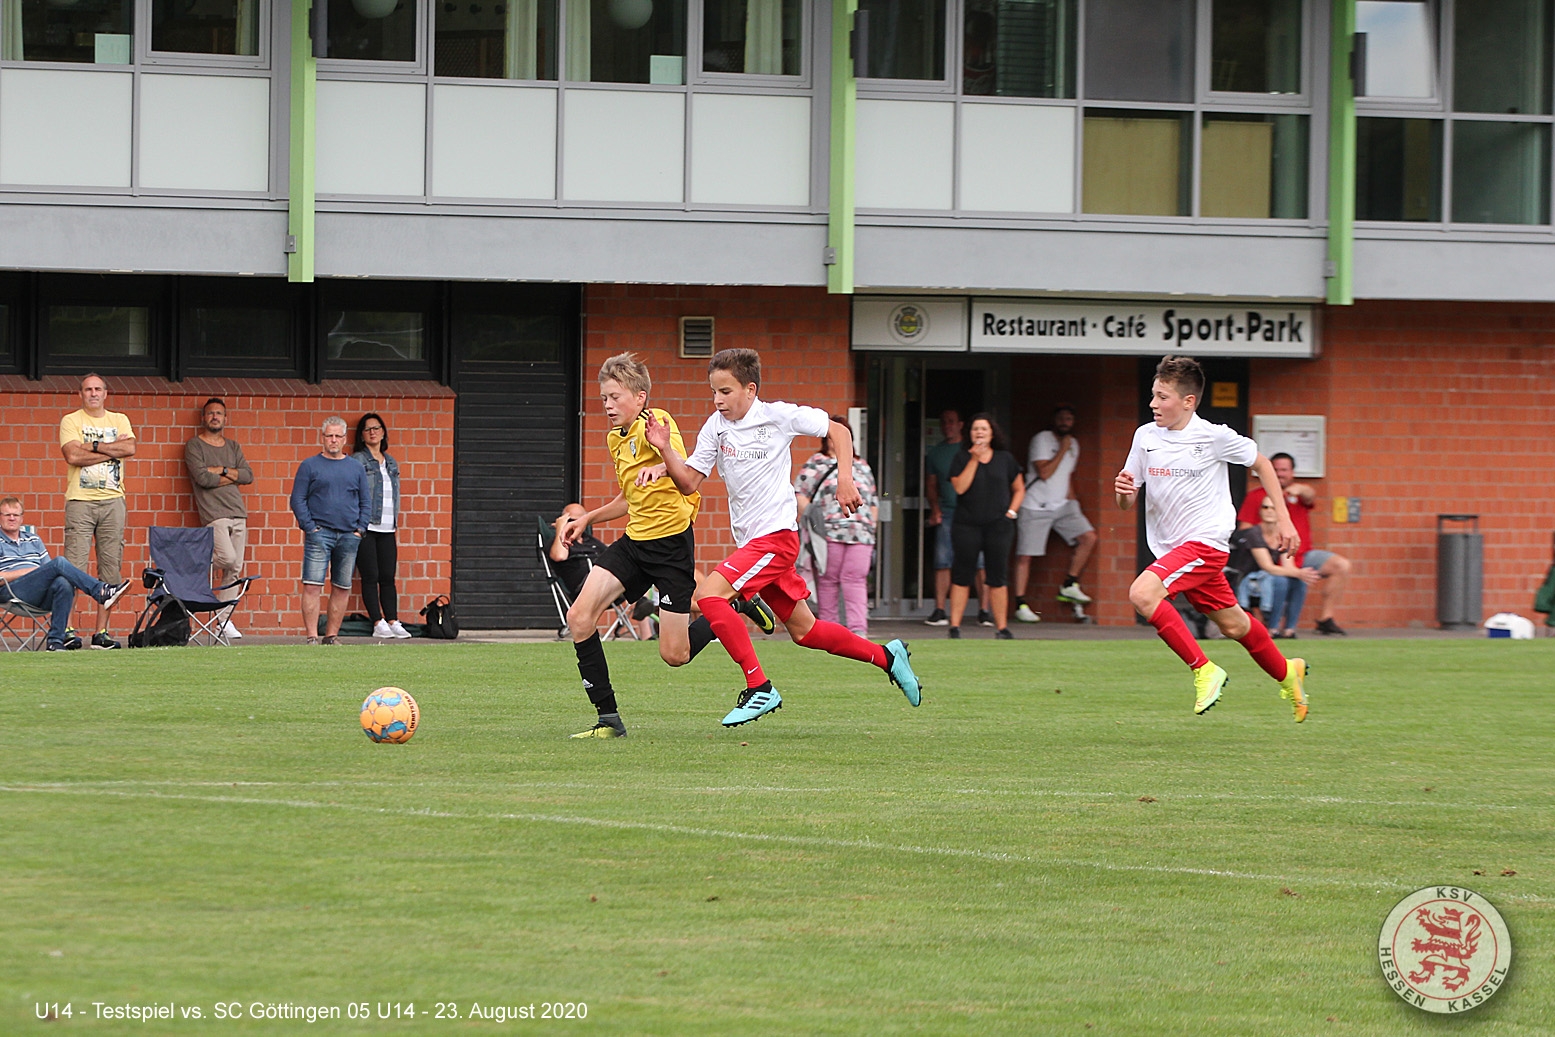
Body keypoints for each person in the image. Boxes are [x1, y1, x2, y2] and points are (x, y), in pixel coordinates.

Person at [647, 347, 923, 727]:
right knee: (806, 631)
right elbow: (690, 481)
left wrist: (845, 479)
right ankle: (888, 657)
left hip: (775, 538)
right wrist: (664, 451)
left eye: (725, 391)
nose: (717, 400)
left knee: (710, 596)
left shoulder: (778, 415)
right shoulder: (715, 426)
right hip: (754, 544)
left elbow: (839, 431)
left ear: (750, 389)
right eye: (713, 391)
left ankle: (758, 686)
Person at [558, 353, 775, 740]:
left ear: (640, 397)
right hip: (634, 544)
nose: (607, 405)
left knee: (675, 655)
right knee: (579, 617)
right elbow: (629, 498)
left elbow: (685, 470)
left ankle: (734, 604)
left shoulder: (657, 423)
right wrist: (589, 518)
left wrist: (661, 461)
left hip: (671, 547)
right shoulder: (615, 439)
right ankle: (608, 720)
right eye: (604, 398)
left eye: (615, 397)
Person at [1114, 355, 1309, 722]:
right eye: (1153, 395)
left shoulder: (1214, 436)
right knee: (1234, 625)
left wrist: (1285, 520)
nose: (1153, 403)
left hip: (1205, 544)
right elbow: (1127, 501)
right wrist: (1123, 492)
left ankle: (1204, 670)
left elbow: (1262, 464)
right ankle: (1288, 673)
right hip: (1173, 550)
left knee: (1142, 594)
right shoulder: (1145, 436)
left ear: (1188, 401)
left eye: (1162, 397)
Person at [59, 372, 136, 649]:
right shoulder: (71, 420)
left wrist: (92, 446)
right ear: (81, 394)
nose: (93, 393)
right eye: (88, 389)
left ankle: (101, 633)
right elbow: (72, 455)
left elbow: (130, 447)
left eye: (98, 389)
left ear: (105, 393)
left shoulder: (119, 419)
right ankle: (67, 630)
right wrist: (111, 451)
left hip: (113, 501)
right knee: (73, 569)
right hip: (80, 501)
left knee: (111, 570)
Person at [1237, 452, 1353, 635]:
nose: (1280, 474)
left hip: (1300, 553)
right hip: (1273, 554)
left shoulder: (1297, 493)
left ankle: (1324, 619)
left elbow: (1310, 496)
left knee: (1341, 565)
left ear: (1292, 472)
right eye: (1276, 470)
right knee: (1282, 580)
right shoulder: (1257, 496)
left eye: (1284, 470)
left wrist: (1301, 489)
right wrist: (1267, 537)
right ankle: (1272, 626)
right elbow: (1245, 530)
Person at [0, 496, 129, 651]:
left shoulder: (33, 539)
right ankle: (100, 591)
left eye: (16, 515)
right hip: (11, 591)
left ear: (22, 518)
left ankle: (55, 642)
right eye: (7, 515)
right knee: (59, 563)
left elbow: (48, 570)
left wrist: (39, 573)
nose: (12, 518)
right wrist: (29, 572)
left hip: (37, 593)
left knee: (63, 583)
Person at [794, 416, 880, 636]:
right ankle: (830, 632)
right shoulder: (816, 462)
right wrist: (814, 521)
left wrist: (871, 525)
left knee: (855, 579)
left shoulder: (861, 465)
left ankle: (858, 631)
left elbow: (873, 499)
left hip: (860, 534)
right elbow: (799, 493)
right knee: (828, 581)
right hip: (828, 533)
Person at [1012, 405, 1099, 622]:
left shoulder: (1074, 444)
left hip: (1063, 505)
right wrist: (1062, 449)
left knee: (1088, 537)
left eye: (1069, 419)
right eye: (1061, 418)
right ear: (1054, 420)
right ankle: (1020, 603)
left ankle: (1069, 583)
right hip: (1035, 505)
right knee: (1025, 556)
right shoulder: (1042, 439)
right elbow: (1044, 472)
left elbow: (1066, 476)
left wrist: (1074, 504)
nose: (1064, 422)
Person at [289, 416, 371, 645]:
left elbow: (366, 501)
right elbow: (297, 499)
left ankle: (332, 636)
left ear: (344, 439)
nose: (333, 440)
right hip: (319, 534)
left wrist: (360, 530)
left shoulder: (356, 467)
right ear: (322, 438)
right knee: (312, 585)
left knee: (342, 587)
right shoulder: (309, 466)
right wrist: (310, 527)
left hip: (349, 535)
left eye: (338, 436)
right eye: (329, 436)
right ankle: (312, 637)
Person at [946, 413, 1024, 640]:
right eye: (975, 429)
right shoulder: (961, 457)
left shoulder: (1005, 458)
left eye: (984, 429)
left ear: (992, 433)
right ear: (969, 433)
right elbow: (960, 488)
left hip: (998, 525)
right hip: (966, 525)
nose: (979, 433)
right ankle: (954, 626)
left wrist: (1011, 513)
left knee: (997, 575)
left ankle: (1001, 628)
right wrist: (974, 459)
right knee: (962, 574)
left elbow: (1019, 488)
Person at [183, 397, 253, 639]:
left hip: (238, 512)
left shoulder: (232, 446)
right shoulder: (194, 445)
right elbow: (203, 479)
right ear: (203, 418)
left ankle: (222, 621)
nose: (215, 417)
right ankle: (188, 561)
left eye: (219, 413)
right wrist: (231, 475)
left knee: (234, 568)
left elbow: (247, 475)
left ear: (225, 418)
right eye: (211, 413)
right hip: (214, 513)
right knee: (227, 557)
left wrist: (220, 470)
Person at [923, 408, 991, 626]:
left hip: (975, 513)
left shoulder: (972, 451)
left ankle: (984, 611)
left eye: (951, 421)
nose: (947, 426)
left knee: (980, 562)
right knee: (943, 560)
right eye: (944, 422)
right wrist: (935, 508)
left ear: (961, 425)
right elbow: (931, 484)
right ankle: (940, 609)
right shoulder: (936, 453)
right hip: (948, 511)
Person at [353, 413, 411, 639]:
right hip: (367, 526)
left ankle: (393, 620)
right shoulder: (358, 460)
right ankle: (377, 622)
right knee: (370, 576)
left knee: (388, 576)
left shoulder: (391, 462)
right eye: (368, 429)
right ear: (362, 435)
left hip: (388, 527)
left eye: (376, 428)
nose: (373, 432)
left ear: (383, 432)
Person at [1233, 496, 1321, 639]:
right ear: (1260, 511)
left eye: (1273, 508)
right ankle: (1273, 627)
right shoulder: (1254, 533)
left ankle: (1289, 629)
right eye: (1265, 507)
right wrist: (1299, 572)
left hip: (1268, 577)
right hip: (1248, 580)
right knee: (1281, 581)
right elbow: (1267, 566)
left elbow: (1289, 565)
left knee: (1298, 582)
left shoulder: (1283, 534)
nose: (1269, 511)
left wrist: (1301, 574)